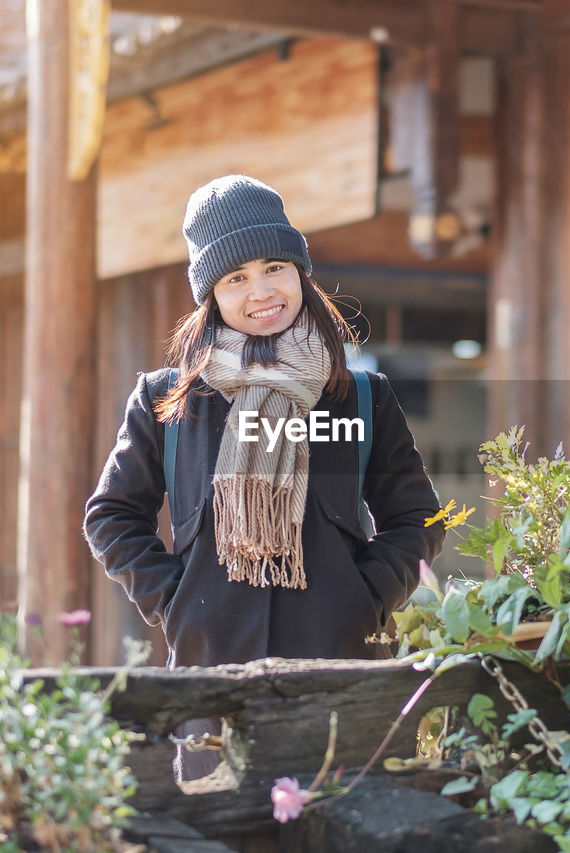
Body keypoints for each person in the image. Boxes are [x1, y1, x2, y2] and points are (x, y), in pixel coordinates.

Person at [83, 175, 444, 780]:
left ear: (300, 271)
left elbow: (418, 517)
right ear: (211, 295)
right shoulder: (167, 402)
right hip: (212, 688)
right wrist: (175, 603)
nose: (261, 292)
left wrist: (367, 600)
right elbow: (111, 516)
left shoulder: (358, 398)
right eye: (236, 278)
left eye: (274, 266)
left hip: (338, 680)